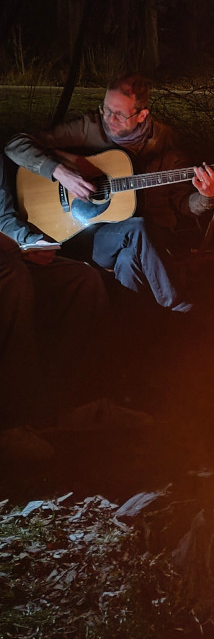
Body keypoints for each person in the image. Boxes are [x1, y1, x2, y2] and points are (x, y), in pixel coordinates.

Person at [4, 74, 214, 312]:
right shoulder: (91, 127)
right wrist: (59, 171)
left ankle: (133, 325)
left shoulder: (167, 145)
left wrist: (206, 196)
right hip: (95, 239)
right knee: (137, 228)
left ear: (142, 115)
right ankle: (180, 308)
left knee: (128, 260)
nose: (109, 119)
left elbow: (185, 204)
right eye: (105, 109)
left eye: (119, 114)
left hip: (155, 240)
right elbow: (16, 145)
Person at [0, 155, 110, 456]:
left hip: (8, 257)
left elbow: (4, 217)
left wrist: (30, 241)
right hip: (6, 266)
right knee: (13, 278)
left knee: (81, 278)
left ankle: (79, 408)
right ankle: (10, 424)